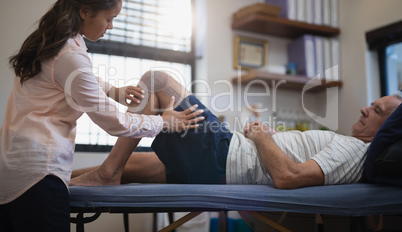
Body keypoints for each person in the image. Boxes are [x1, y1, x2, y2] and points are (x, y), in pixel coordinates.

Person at [0, 0, 203, 232]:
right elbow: (114, 122)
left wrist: (112, 90)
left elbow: (67, 80)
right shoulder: (70, 55)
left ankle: (108, 172)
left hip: (11, 170)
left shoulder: (49, 41)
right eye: (109, 18)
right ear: (85, 11)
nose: (111, 26)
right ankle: (108, 173)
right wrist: (163, 122)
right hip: (40, 174)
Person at [71, 70, 402, 190]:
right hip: (220, 163)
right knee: (129, 166)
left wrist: (260, 137)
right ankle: (58, 182)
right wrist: (265, 140)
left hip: (225, 156)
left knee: (157, 82)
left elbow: (290, 177)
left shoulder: (356, 149)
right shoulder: (351, 145)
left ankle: (107, 173)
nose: (364, 108)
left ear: (389, 127)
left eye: (376, 110)